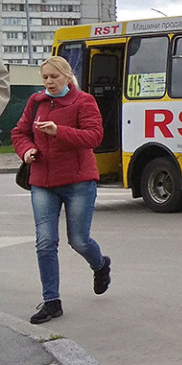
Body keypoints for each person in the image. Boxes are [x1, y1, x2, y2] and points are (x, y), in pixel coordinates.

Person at [11, 56, 112, 324]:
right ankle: (51, 301)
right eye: (45, 78)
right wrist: (27, 151)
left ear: (67, 77)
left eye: (54, 77)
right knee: (45, 242)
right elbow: (19, 133)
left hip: (78, 182)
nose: (49, 82)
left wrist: (59, 131)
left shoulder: (83, 101)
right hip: (42, 182)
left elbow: (94, 137)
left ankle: (100, 265)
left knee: (78, 240)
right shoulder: (36, 103)